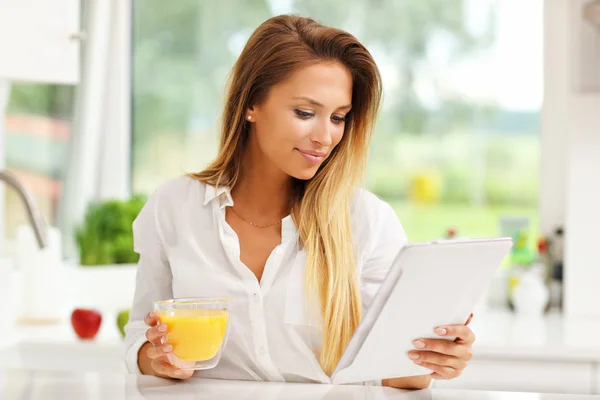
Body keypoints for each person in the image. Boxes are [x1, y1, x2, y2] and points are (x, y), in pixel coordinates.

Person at [124, 14, 475, 390]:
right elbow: (138, 341)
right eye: (305, 113)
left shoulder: (366, 221)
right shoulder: (174, 207)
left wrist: (434, 357)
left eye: (339, 117)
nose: (325, 137)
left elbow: (394, 370)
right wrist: (155, 357)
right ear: (252, 104)